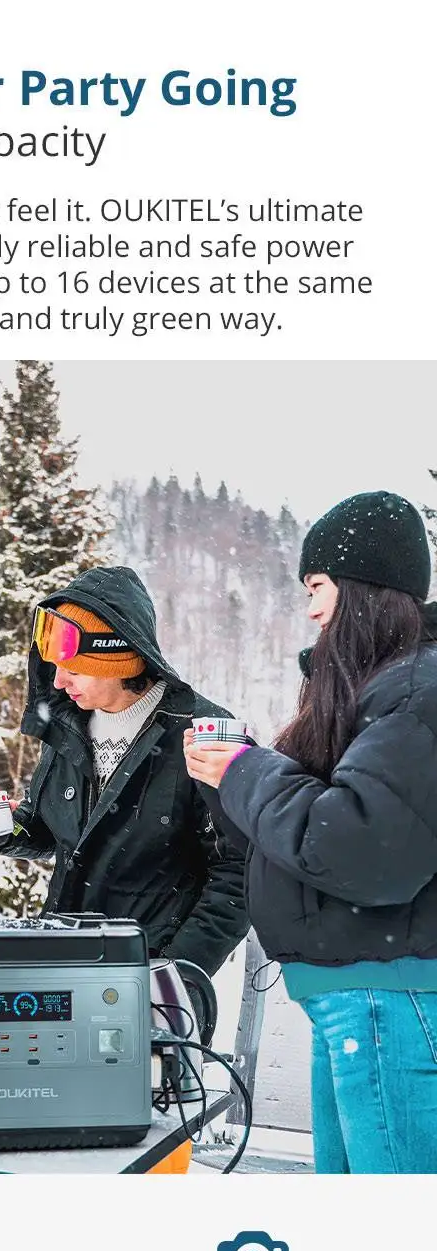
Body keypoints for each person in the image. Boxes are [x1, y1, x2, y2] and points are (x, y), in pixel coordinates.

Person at [185, 490, 437, 1173]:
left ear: (364, 587)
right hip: (357, 994)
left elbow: (361, 848)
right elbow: (302, 846)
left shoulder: (417, 692)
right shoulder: (380, 690)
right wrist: (225, 784)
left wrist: (248, 772)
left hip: (390, 997)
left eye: (318, 587)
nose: (311, 609)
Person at [0, 565, 249, 976]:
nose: (59, 682)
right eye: (55, 667)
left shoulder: (202, 733)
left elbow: (238, 875)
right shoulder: (68, 724)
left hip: (148, 976)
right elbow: (50, 832)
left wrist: (176, 975)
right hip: (63, 965)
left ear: (118, 661)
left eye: (73, 669)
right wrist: (1, 828)